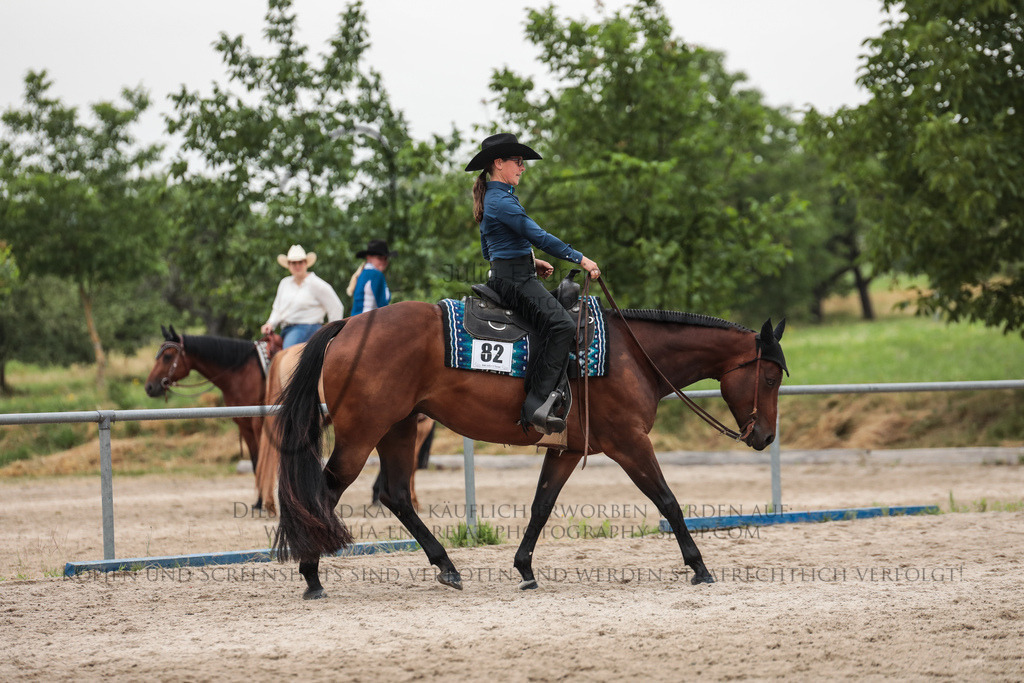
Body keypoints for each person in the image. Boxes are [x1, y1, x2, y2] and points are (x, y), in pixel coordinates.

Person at [466, 132, 600, 434]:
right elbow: (536, 234)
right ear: (499, 163)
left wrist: (530, 261)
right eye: (518, 161)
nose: (522, 167)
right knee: (563, 326)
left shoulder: (495, 198)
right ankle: (536, 405)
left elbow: (492, 250)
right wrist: (580, 259)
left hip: (509, 275)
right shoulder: (501, 200)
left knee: (552, 319)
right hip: (515, 282)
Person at [260, 244, 344, 348]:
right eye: (293, 263)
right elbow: (277, 309)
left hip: (309, 328)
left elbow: (336, 307)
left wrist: (331, 334)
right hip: (286, 330)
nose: (297, 265)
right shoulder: (284, 283)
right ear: (289, 265)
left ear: (306, 263)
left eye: (300, 262)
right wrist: (270, 324)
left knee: (288, 357)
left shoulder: (317, 284)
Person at [347, 239, 396, 315]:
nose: (384, 262)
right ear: (369, 257)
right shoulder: (376, 275)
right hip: (367, 321)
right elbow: (383, 305)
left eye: (386, 258)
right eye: (380, 258)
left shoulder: (362, 274)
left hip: (355, 320)